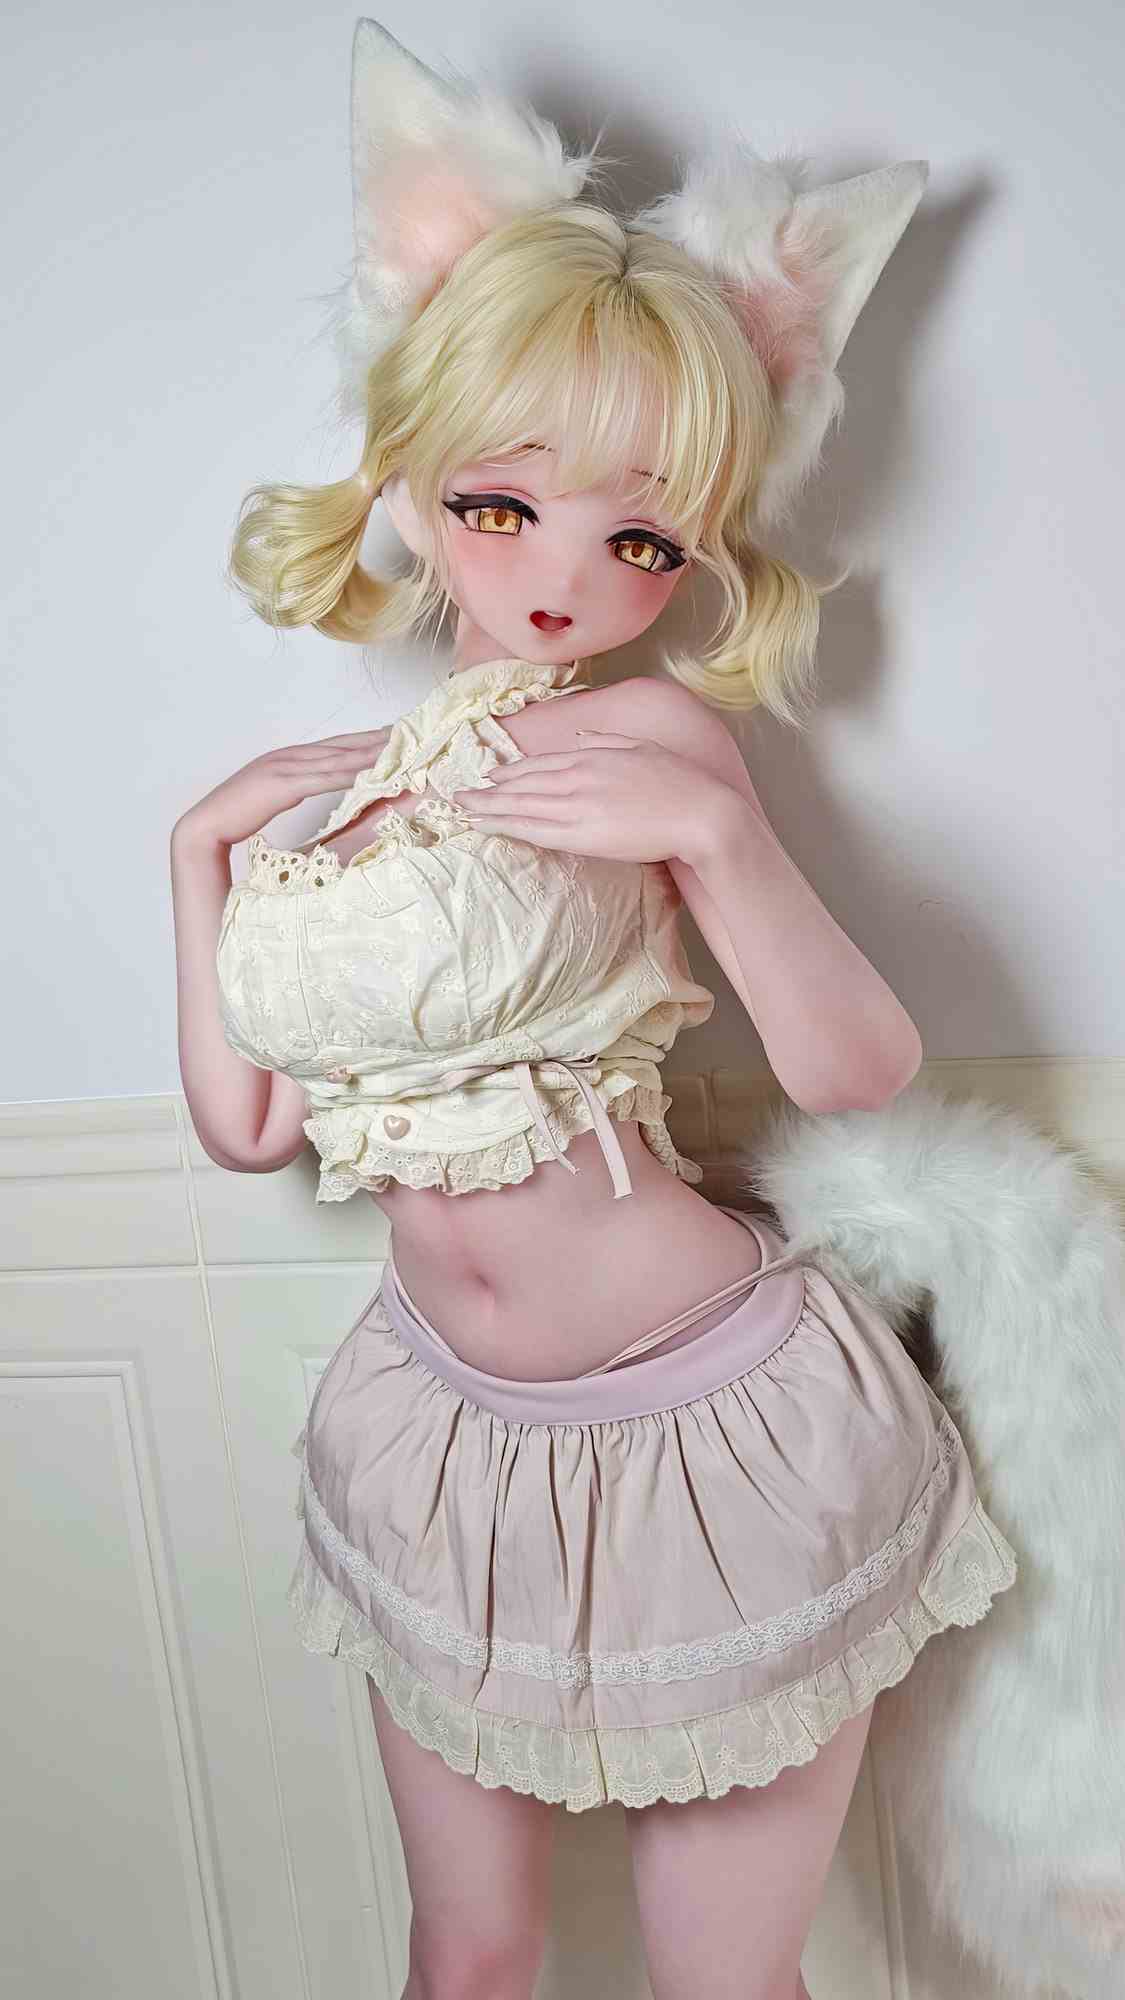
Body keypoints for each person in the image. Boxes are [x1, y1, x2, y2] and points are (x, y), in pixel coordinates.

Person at [169, 21, 1018, 2000]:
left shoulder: (655, 747)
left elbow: (858, 1075)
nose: (561, 578)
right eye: (500, 505)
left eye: (637, 536)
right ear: (410, 477)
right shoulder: (358, 796)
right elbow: (248, 1126)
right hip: (442, 1439)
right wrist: (198, 854)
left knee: (721, 1983)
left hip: (706, 1437)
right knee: (463, 1960)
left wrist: (717, 836)